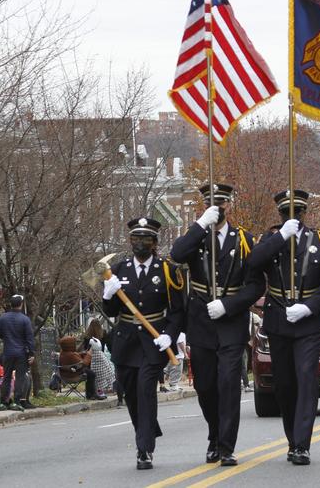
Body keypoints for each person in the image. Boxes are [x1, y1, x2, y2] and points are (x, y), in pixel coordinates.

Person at [169, 182, 259, 467]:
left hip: (231, 321)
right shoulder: (195, 237)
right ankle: (214, 433)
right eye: (211, 203)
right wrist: (199, 225)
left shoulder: (243, 239)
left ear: (230, 205)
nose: (217, 208)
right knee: (206, 386)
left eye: (222, 204)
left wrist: (229, 305)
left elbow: (256, 285)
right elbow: (176, 254)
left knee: (229, 383)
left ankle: (226, 445)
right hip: (201, 320)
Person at [247, 189, 320, 466]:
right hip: (278, 318)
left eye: (297, 213)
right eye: (287, 213)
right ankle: (292, 438)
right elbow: (252, 262)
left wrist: (310, 306)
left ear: (304, 213)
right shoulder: (271, 239)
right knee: (285, 384)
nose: (293, 217)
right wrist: (281, 236)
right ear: (280, 215)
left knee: (306, 377)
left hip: (308, 320)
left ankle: (302, 444)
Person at [102, 216, 185, 470]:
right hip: (126, 341)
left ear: (154, 242)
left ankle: (144, 449)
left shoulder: (168, 270)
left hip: (154, 340)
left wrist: (170, 334)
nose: (140, 244)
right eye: (136, 239)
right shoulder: (117, 270)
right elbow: (111, 311)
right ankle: (147, 431)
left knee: (146, 390)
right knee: (131, 394)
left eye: (146, 239)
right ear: (130, 242)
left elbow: (178, 309)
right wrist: (108, 293)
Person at [0, 294, 36, 411]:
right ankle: (16, 402)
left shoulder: (3, 318)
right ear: (21, 304)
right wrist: (32, 353)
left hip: (7, 351)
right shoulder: (25, 319)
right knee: (20, 377)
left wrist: (7, 337)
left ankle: (3, 402)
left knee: (6, 377)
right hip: (21, 353)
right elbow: (30, 338)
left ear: (11, 304)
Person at [58, 335, 104, 400]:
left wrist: (81, 353)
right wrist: (89, 353)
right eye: (74, 344)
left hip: (65, 375)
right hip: (73, 376)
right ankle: (91, 395)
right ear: (70, 345)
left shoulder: (63, 353)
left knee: (89, 372)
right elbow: (84, 363)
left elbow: (75, 356)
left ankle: (91, 394)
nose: (75, 345)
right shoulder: (71, 355)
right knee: (91, 374)